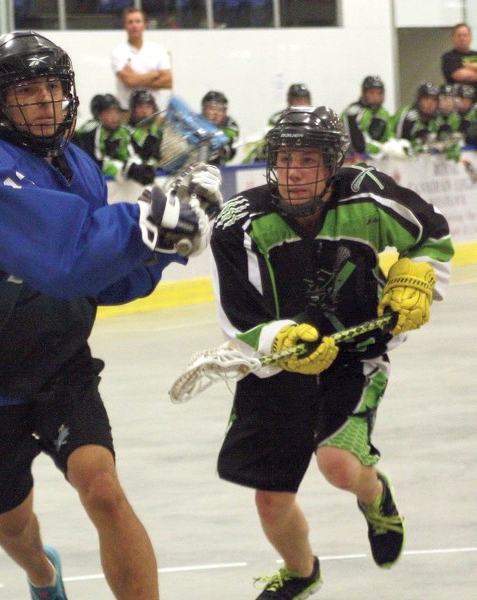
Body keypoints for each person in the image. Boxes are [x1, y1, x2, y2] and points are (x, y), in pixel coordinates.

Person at [0, 31, 222, 600]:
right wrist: (147, 220)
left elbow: (100, 280)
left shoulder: (79, 166)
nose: (44, 101)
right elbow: (61, 259)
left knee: (103, 488)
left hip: (61, 364)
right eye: (26, 90)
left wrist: (169, 243)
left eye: (53, 87)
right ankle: (41, 573)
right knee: (13, 525)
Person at [209, 105, 454, 599]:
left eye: (308, 160)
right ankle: (302, 574)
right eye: (284, 158)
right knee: (270, 502)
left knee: (339, 464)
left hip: (356, 350)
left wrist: (419, 279)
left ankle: (375, 494)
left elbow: (433, 238)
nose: (294, 172)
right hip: (278, 368)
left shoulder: (370, 193)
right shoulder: (238, 225)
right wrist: (279, 341)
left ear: (333, 164)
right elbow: (238, 317)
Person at [74, 92, 155, 184]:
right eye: (108, 112)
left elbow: (128, 155)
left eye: (117, 112)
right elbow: (97, 163)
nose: (114, 117)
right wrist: (126, 169)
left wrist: (140, 166)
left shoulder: (122, 131)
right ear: (99, 115)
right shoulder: (92, 132)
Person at [111, 8, 173, 112]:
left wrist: (136, 78)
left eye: (138, 21)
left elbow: (168, 82)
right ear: (125, 26)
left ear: (145, 25)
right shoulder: (118, 52)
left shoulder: (159, 50)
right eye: (130, 22)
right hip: (128, 112)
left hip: (156, 112)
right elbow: (129, 81)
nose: (134, 25)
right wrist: (153, 75)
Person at [342, 75, 393, 157]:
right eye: (371, 92)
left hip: (378, 157)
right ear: (364, 93)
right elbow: (357, 145)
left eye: (379, 93)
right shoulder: (354, 112)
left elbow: (389, 136)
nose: (375, 97)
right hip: (352, 158)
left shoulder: (383, 113)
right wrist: (382, 149)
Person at [392, 81, 440, 147]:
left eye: (434, 100)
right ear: (418, 100)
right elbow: (400, 144)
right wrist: (418, 142)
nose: (430, 103)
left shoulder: (436, 119)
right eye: (426, 99)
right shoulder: (409, 116)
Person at [200, 90, 240, 165]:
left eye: (221, 110)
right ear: (204, 109)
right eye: (212, 108)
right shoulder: (196, 123)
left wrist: (220, 148)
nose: (216, 113)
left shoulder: (231, 126)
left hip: (217, 169)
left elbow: (230, 153)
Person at [128, 88, 163, 168]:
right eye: (140, 107)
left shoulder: (158, 132)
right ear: (133, 110)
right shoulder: (126, 132)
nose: (144, 111)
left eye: (148, 107)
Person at [441, 23, 477, 94]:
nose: (462, 38)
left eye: (465, 35)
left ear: (470, 37)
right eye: (459, 36)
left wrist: (467, 68)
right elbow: (461, 75)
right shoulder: (449, 57)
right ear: (452, 38)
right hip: (457, 99)